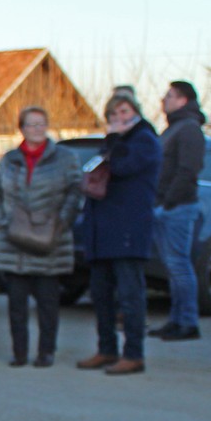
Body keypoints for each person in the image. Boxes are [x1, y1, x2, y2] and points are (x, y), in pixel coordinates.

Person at [0, 106, 82, 367]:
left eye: (41, 124)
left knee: (48, 302)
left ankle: (46, 351)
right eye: (31, 125)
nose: (37, 130)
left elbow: (76, 191)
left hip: (49, 240)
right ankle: (19, 352)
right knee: (16, 303)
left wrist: (62, 221)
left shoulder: (64, 158)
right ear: (22, 129)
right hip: (13, 240)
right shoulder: (9, 159)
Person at [77, 93, 161, 375]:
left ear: (135, 111)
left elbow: (123, 167)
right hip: (102, 230)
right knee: (101, 294)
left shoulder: (145, 141)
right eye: (113, 115)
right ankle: (106, 348)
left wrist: (114, 142)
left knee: (129, 294)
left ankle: (133, 353)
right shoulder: (115, 143)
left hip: (128, 229)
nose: (118, 119)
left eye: (124, 112)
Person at [149, 81, 206, 342]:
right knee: (172, 267)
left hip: (177, 209)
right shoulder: (174, 128)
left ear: (183, 100)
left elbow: (187, 171)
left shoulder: (189, 129)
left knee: (180, 266)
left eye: (169, 95)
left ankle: (188, 322)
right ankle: (176, 319)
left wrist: (167, 203)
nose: (164, 100)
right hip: (166, 206)